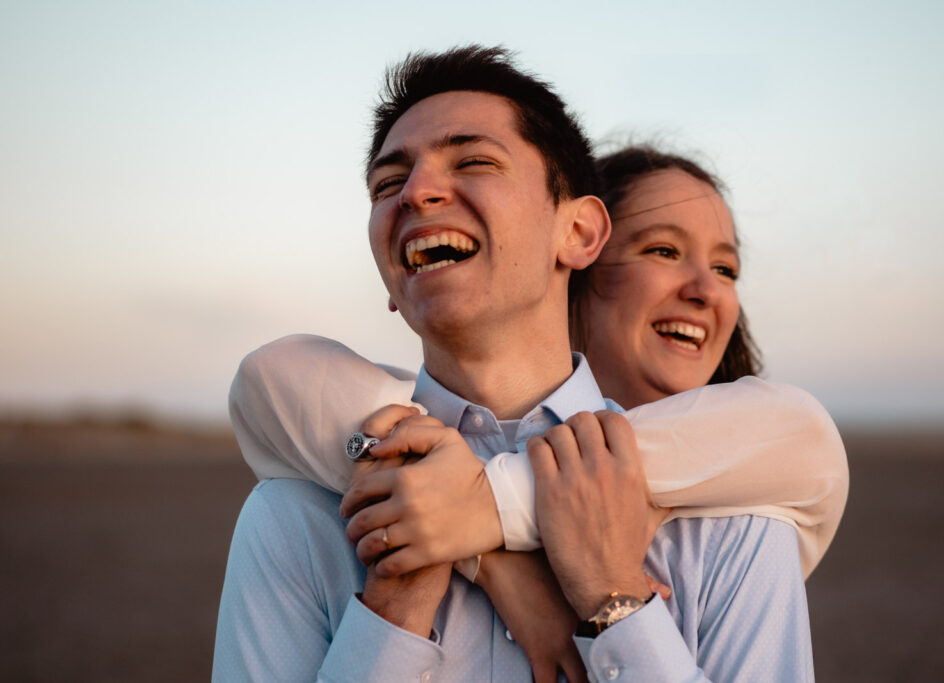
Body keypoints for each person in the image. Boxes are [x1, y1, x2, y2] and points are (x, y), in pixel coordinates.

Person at [215, 45, 822, 682]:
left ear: (581, 233)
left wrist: (614, 602)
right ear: (390, 280)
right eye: (388, 184)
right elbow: (267, 375)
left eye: (474, 161)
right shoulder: (293, 523)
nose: (416, 193)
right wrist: (393, 607)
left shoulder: (740, 528)